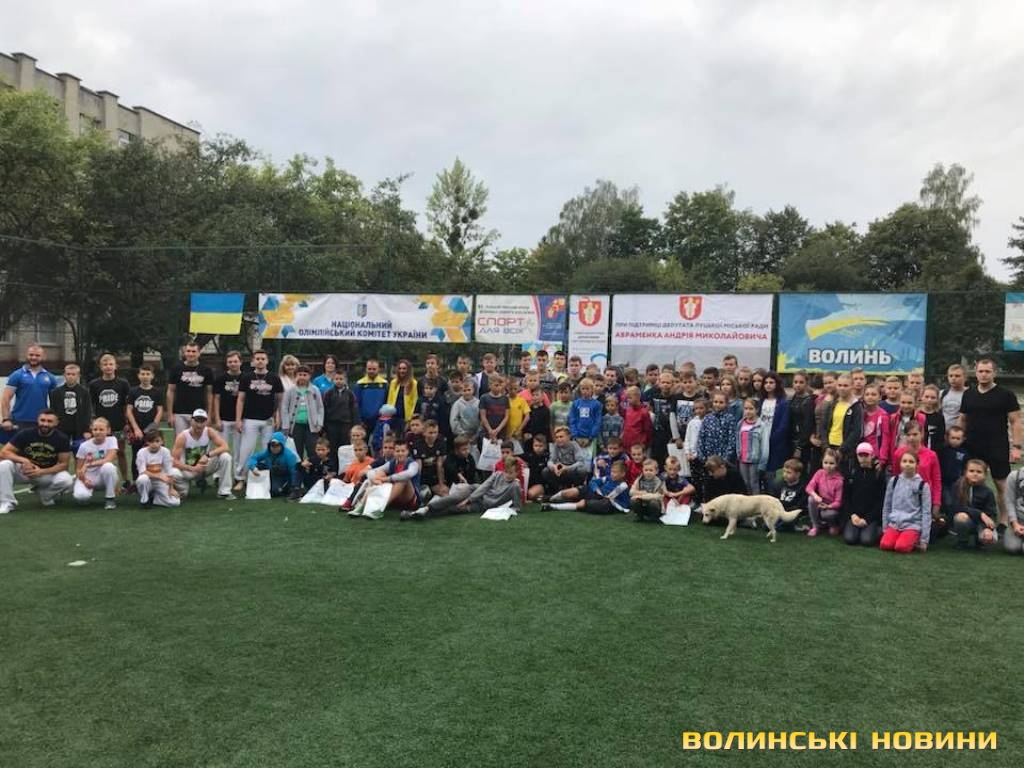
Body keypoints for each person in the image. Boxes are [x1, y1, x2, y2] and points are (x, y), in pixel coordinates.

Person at [959, 358, 1022, 526]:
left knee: (1002, 485)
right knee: (968, 483)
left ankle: (1004, 521)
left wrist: (1017, 447)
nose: (984, 374)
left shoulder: (1006, 395)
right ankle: (970, 519)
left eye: (987, 371)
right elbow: (963, 419)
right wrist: (958, 440)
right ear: (976, 373)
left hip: (997, 445)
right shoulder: (969, 394)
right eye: (981, 371)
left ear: (994, 373)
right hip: (972, 445)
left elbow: (1016, 421)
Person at [0, 409, 75, 513]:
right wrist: (24, 461)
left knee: (66, 480)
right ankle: (7, 502)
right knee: (4, 465)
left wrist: (41, 472)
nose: (45, 424)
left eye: (49, 421)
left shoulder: (62, 438)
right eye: (42, 420)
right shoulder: (26, 433)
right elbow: (4, 452)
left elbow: (63, 465)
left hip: (45, 473)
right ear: (37, 420)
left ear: (56, 423)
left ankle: (45, 495)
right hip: (24, 471)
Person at [409, 455, 522, 520]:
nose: (507, 475)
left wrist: (508, 509)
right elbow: (484, 487)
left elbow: (517, 507)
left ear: (517, 473)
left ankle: (416, 514)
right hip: (475, 491)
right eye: (506, 472)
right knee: (453, 499)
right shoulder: (497, 474)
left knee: (453, 509)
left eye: (511, 473)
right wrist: (468, 500)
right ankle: (425, 509)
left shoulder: (515, 485)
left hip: (483, 505)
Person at [233, 349, 284, 492]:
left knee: (267, 450)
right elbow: (240, 399)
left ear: (267, 361)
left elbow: (279, 400)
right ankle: (240, 479)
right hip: (250, 419)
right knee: (246, 450)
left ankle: (266, 478)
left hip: (268, 420)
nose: (260, 361)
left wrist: (278, 416)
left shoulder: (274, 378)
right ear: (253, 361)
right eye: (257, 359)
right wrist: (238, 419)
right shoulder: (246, 377)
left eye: (263, 359)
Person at [170, 409, 235, 499]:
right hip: (188, 470)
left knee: (225, 456)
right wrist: (193, 468)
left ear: (206, 422)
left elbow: (225, 446)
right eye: (197, 420)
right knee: (173, 473)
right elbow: (174, 461)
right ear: (191, 420)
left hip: (204, 467)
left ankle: (224, 492)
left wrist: (207, 455)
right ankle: (182, 489)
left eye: (202, 421)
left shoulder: (209, 431)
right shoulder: (182, 436)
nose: (199, 424)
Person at [88, 353, 131, 488]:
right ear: (100, 367)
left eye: (111, 364)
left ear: (116, 366)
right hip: (101, 427)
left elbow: (127, 405)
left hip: (118, 424)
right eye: (105, 364)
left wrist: (127, 422)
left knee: (120, 452)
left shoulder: (123, 383)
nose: (108, 367)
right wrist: (92, 422)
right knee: (101, 453)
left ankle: (125, 480)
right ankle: (102, 480)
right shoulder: (94, 384)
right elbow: (91, 405)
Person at [351, 441, 421, 519]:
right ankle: (362, 505)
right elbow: (373, 471)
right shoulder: (392, 463)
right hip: (395, 497)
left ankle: (380, 509)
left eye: (403, 451)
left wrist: (387, 479)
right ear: (394, 452)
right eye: (398, 451)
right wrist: (374, 479)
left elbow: (409, 474)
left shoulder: (413, 463)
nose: (400, 453)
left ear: (407, 452)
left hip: (410, 499)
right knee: (380, 473)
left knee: (403, 479)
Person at [880, 451, 931, 554]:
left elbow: (926, 512)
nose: (907, 464)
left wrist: (924, 539)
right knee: (885, 545)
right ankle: (897, 536)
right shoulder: (894, 481)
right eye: (904, 461)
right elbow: (887, 505)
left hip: (912, 525)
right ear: (900, 463)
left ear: (917, 465)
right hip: (894, 524)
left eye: (911, 462)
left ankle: (914, 539)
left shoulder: (923, 485)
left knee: (901, 547)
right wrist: (885, 528)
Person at [1, 344, 58, 429]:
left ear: (43, 357)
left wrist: (54, 420)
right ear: (26, 355)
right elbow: (6, 398)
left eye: (37, 355)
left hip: (42, 422)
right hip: (19, 420)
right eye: (31, 355)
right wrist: (6, 419)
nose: (34, 357)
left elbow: (56, 402)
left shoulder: (50, 377)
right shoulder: (17, 375)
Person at [543, 460, 631, 514]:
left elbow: (624, 504)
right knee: (569, 492)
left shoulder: (623, 486)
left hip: (605, 502)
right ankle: (549, 498)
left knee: (582, 503)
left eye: (615, 472)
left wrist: (612, 501)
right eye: (612, 471)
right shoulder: (608, 478)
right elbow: (593, 482)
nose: (612, 474)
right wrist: (596, 489)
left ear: (623, 474)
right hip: (596, 494)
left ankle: (552, 506)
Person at [946, 458, 998, 550]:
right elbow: (956, 507)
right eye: (971, 471)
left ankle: (980, 541)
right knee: (960, 517)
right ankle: (963, 541)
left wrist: (988, 529)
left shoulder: (988, 492)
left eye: (979, 472)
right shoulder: (957, 486)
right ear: (965, 472)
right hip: (966, 520)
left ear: (985, 475)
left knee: (991, 539)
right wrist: (980, 514)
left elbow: (992, 513)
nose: (975, 474)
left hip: (981, 523)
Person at [165, 342, 214, 435]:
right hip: (180, 412)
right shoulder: (176, 369)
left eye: (193, 351)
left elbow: (209, 393)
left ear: (199, 353)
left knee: (198, 441)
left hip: (199, 412)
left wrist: (209, 414)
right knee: (180, 441)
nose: (191, 354)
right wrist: (170, 414)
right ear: (184, 353)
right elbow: (170, 391)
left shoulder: (206, 370)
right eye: (188, 351)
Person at [125, 364, 164, 482]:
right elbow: (129, 410)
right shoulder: (133, 391)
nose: (145, 376)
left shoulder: (157, 392)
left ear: (152, 376)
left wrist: (153, 427)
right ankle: (136, 481)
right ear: (138, 375)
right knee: (136, 455)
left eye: (148, 374)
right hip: (137, 428)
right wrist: (135, 428)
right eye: (143, 374)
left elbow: (160, 410)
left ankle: (155, 479)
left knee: (154, 453)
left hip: (151, 428)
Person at [842, 442, 886, 546]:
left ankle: (878, 530)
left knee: (866, 540)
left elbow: (881, 501)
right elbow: (846, 497)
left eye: (866, 455)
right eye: (860, 455)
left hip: (870, 517)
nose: (863, 458)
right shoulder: (852, 473)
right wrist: (852, 515)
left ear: (872, 455)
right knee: (850, 539)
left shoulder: (878, 475)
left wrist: (868, 519)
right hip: (855, 515)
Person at [72, 417, 120, 509]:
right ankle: (74, 483)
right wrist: (84, 480)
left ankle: (110, 499)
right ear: (91, 430)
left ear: (108, 430)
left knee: (108, 466)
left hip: (103, 477)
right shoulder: (84, 446)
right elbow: (78, 469)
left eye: (101, 429)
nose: (98, 432)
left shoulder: (112, 440)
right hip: (89, 477)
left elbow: (108, 459)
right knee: (81, 497)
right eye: (95, 429)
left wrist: (88, 464)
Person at [281, 365, 324, 463]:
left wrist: (319, 423)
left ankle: (313, 470)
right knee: (296, 450)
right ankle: (298, 470)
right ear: (295, 376)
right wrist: (286, 425)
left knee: (312, 449)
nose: (302, 377)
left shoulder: (315, 390)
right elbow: (284, 408)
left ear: (309, 376)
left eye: (305, 375)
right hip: (295, 425)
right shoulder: (290, 390)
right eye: (300, 374)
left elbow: (320, 407)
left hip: (311, 426)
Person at [49, 363, 92, 452]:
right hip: (61, 428)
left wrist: (87, 429)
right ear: (64, 375)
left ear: (78, 376)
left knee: (79, 453)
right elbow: (53, 410)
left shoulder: (84, 392)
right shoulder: (56, 392)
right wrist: (53, 426)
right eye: (68, 374)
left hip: (79, 428)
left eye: (73, 374)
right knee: (61, 452)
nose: (71, 376)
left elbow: (87, 411)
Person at [245, 431, 300, 498]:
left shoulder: (290, 456)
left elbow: (294, 472)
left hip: (284, 478)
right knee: (258, 465)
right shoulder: (267, 452)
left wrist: (294, 487)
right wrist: (253, 467)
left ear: (282, 445)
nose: (274, 448)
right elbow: (253, 458)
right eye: (272, 445)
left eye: (277, 445)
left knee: (274, 492)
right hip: (272, 474)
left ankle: (285, 489)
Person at [135, 428, 180, 508]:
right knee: (142, 479)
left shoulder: (165, 451)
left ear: (162, 441)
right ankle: (145, 500)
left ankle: (154, 499)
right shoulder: (141, 452)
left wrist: (171, 488)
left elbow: (169, 471)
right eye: (151, 441)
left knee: (175, 502)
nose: (154, 444)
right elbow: (142, 471)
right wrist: (159, 476)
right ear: (147, 442)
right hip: (148, 480)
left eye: (157, 441)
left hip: (160, 481)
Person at [758, 371, 790, 483]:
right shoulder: (761, 401)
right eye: (766, 382)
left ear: (777, 384)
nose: (768, 385)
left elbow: (784, 425)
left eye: (771, 382)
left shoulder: (783, 403)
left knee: (772, 473)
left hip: (775, 443)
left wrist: (771, 439)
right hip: (760, 440)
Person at [212, 351, 244, 459]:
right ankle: (220, 469)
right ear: (226, 363)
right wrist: (217, 419)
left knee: (239, 450)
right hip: (223, 418)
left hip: (240, 420)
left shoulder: (246, 378)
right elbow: (216, 399)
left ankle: (238, 470)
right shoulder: (220, 378)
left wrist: (242, 419)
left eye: (235, 361)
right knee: (221, 449)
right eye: (230, 362)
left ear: (240, 362)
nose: (233, 364)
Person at [805, 448, 844, 538]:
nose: (828, 466)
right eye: (825, 463)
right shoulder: (819, 473)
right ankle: (815, 526)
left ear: (837, 464)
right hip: (821, 502)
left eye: (831, 463)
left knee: (827, 514)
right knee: (811, 499)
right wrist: (815, 495)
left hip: (831, 507)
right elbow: (809, 487)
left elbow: (838, 502)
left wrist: (828, 506)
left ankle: (833, 525)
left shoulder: (839, 481)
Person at [542, 426, 591, 495]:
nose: (558, 439)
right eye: (557, 437)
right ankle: (556, 490)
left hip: (571, 470)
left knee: (582, 470)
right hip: (560, 471)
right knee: (545, 471)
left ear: (568, 437)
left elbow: (580, 462)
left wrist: (568, 468)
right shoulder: (556, 446)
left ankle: (576, 491)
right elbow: (550, 461)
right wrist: (553, 467)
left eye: (561, 437)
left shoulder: (574, 445)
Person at [736, 398, 768, 495]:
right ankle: (747, 502)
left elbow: (765, 445)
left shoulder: (761, 425)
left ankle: (756, 502)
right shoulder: (740, 424)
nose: (748, 411)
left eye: (751, 409)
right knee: (745, 483)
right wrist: (738, 453)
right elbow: (738, 440)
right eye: (746, 408)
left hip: (755, 460)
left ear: (757, 410)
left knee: (754, 483)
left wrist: (763, 463)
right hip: (742, 459)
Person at [697, 391, 736, 468]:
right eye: (716, 402)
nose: (718, 404)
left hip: (723, 459)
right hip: (708, 457)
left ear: (726, 404)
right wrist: (702, 456)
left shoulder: (730, 418)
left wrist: (725, 459)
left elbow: (732, 440)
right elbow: (701, 437)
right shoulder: (707, 418)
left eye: (721, 402)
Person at [323, 369, 359, 454]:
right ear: (333, 380)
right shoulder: (328, 393)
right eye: (336, 379)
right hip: (332, 425)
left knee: (345, 447)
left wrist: (354, 425)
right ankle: (333, 462)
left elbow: (353, 410)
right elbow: (324, 409)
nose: (338, 381)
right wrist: (325, 425)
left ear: (345, 380)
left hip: (346, 425)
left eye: (341, 379)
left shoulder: (350, 394)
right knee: (332, 447)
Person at [412, 419, 447, 499]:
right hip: (423, 478)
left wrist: (441, 484)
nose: (433, 435)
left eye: (435, 432)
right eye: (430, 433)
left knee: (445, 493)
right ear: (424, 433)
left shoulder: (441, 442)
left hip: (434, 478)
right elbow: (418, 467)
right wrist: (416, 485)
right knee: (424, 495)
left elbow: (439, 465)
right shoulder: (417, 444)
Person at [354, 358, 390, 435]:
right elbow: (356, 403)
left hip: (379, 420)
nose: (371, 371)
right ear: (366, 369)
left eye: (374, 369)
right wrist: (359, 420)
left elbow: (387, 402)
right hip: (364, 421)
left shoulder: (384, 384)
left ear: (378, 369)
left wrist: (384, 418)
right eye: (369, 369)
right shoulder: (360, 384)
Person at [788, 371, 816, 470]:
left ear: (806, 384)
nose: (798, 385)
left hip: (802, 443)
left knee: (800, 469)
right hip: (791, 439)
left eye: (801, 382)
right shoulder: (792, 398)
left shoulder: (808, 401)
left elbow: (808, 425)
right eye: (795, 382)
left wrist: (800, 446)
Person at [568, 378, 602, 455]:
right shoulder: (575, 403)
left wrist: (591, 437)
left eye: (587, 389)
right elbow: (572, 420)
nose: (585, 391)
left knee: (589, 458)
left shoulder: (597, 404)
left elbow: (597, 422)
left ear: (592, 389)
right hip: (577, 437)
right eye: (583, 389)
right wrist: (575, 436)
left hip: (590, 438)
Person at [386, 358, 418, 434]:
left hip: (406, 419)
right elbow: (389, 400)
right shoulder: (393, 383)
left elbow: (415, 402)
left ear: (408, 370)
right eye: (400, 368)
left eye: (404, 369)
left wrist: (410, 420)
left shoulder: (414, 384)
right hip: (393, 418)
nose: (401, 371)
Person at [630, 458, 665, 523]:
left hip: (655, 507)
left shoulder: (660, 481)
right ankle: (639, 515)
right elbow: (631, 492)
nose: (648, 472)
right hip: (643, 505)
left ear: (656, 471)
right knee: (633, 500)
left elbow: (658, 496)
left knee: (653, 502)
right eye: (646, 470)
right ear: (643, 470)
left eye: (651, 470)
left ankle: (654, 517)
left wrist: (641, 496)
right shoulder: (639, 479)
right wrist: (639, 493)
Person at [478, 374, 510, 443]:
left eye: (500, 385)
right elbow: (483, 416)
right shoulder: (484, 398)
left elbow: (506, 416)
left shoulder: (505, 399)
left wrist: (497, 429)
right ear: (490, 385)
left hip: (501, 433)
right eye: (496, 385)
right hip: (487, 433)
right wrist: (490, 430)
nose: (499, 387)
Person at [1001, 466, 1024, 555]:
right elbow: (1009, 502)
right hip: (1018, 521)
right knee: (1012, 547)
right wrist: (1015, 524)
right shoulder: (1014, 476)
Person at [918, 384, 946, 452]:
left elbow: (940, 438)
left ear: (937, 399)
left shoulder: (939, 417)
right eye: (927, 397)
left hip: (933, 452)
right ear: (921, 397)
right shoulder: (916, 414)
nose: (929, 400)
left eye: (933, 398)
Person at [940, 363, 967, 431]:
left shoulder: (970, 394)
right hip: (942, 432)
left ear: (965, 377)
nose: (953, 378)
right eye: (951, 376)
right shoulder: (942, 393)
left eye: (957, 376)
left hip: (960, 433)